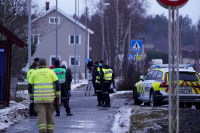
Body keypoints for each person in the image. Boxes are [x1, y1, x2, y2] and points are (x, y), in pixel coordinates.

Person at [28, 58, 61, 133]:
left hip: (38, 99)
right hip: (50, 99)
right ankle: (50, 131)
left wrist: (31, 97)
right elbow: (57, 85)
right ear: (46, 64)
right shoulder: (51, 72)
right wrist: (57, 97)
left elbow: (30, 86)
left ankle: (42, 131)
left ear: (39, 64)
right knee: (50, 115)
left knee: (41, 115)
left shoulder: (34, 73)